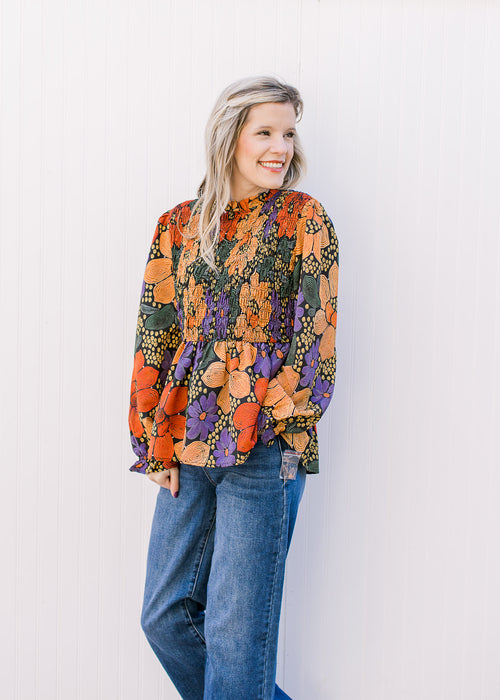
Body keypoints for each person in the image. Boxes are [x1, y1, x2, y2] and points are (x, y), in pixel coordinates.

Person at [128, 75, 339, 700]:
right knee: (165, 617)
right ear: (229, 139)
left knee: (235, 636)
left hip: (265, 450)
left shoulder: (304, 219)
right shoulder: (177, 226)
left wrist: (272, 417)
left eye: (289, 133)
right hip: (187, 446)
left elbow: (316, 337)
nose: (280, 147)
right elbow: (155, 340)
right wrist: (152, 444)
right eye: (265, 132)